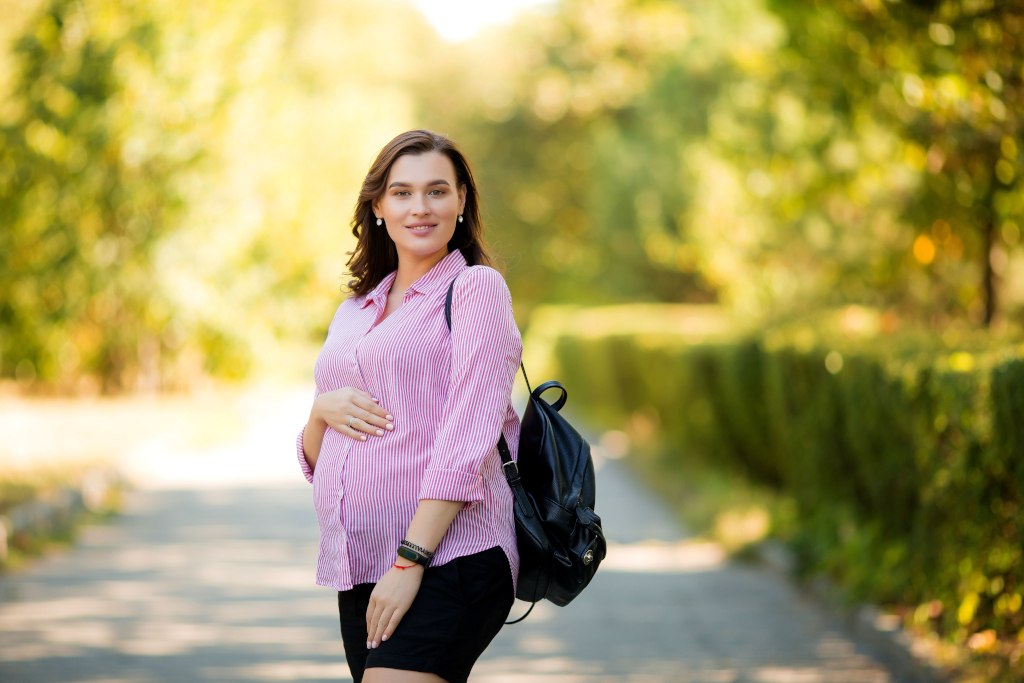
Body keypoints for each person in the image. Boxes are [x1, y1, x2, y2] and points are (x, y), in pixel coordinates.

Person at [295, 129, 522, 683]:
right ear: (377, 205)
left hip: (449, 557)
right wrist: (319, 411)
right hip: (362, 567)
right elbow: (319, 459)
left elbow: (466, 443)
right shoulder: (355, 307)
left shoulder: (475, 291)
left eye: (437, 191)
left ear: (462, 200)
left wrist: (409, 562)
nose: (419, 207)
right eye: (401, 193)